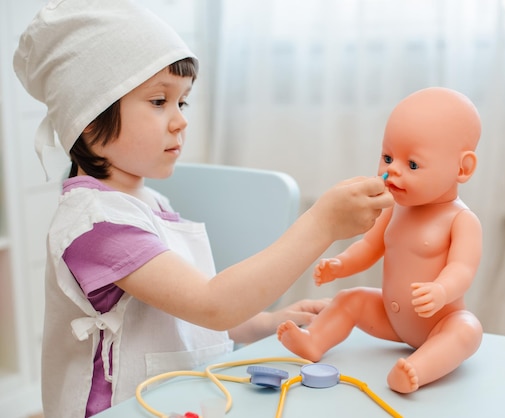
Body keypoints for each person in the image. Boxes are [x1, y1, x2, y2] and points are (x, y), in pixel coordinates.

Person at [12, 1, 394, 417]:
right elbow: (212, 305)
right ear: (86, 114)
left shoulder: (149, 202)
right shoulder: (95, 225)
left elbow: (189, 316)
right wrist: (322, 224)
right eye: (159, 101)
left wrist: (268, 322)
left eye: (183, 103)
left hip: (173, 398)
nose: (180, 121)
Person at [277, 87, 483, 394]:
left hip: (439, 321)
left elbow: (462, 270)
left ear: (462, 169)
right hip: (391, 317)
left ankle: (417, 369)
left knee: (467, 331)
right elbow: (370, 246)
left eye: (412, 165)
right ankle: (314, 340)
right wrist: (340, 264)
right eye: (387, 157)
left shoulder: (461, 220)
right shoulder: (395, 209)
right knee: (351, 298)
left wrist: (441, 290)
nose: (391, 170)